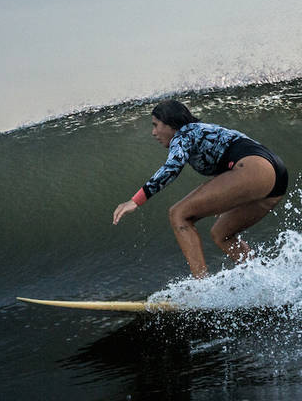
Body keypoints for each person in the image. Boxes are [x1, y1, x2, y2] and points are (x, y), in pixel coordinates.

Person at [112, 100, 289, 278]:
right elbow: (224, 158)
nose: (153, 132)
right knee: (222, 234)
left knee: (178, 214)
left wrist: (135, 201)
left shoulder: (183, 134)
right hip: (275, 175)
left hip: (254, 168)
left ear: (170, 124)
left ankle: (200, 287)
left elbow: (171, 168)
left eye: (156, 125)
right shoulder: (201, 130)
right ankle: (264, 280)